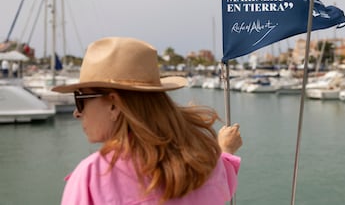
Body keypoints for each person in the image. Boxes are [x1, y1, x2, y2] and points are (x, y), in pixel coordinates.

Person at [52, 36, 242, 205]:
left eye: (80, 99)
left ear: (113, 104)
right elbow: (223, 184)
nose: (77, 113)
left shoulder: (92, 178)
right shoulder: (204, 162)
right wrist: (224, 150)